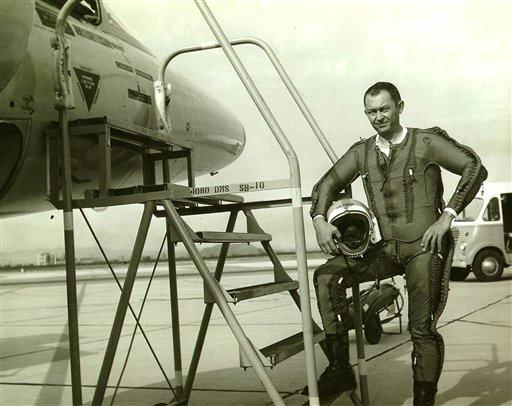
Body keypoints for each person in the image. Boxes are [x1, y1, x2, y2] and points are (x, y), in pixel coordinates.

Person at [306, 82, 487, 405]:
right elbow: (326, 184)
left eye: (384, 109)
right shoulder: (361, 152)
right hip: (386, 250)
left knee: (421, 330)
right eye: (371, 112)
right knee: (326, 276)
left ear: (400, 107)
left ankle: (423, 401)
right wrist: (319, 220)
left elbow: (474, 167)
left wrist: (447, 216)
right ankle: (339, 367)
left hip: (424, 249)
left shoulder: (426, 142)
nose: (378, 117)